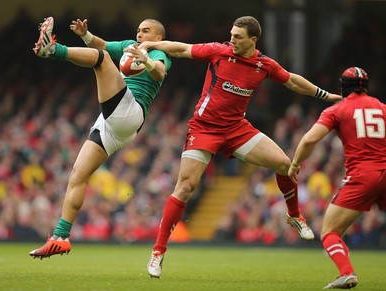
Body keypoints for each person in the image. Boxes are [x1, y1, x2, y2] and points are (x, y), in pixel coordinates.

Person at [139, 16, 342, 278]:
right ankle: (157, 253)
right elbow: (181, 49)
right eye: (232, 35)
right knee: (186, 187)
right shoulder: (218, 51)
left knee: (285, 164)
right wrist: (147, 47)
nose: (232, 40)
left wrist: (324, 95)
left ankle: (295, 216)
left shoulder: (263, 64)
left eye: (238, 37)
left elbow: (292, 80)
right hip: (204, 128)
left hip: (236, 129)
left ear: (253, 40)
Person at [29, 16, 171, 259]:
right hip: (112, 124)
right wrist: (85, 34)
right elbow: (101, 44)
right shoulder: (129, 45)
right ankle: (60, 237)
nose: (140, 34)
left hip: (130, 112)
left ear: (158, 37)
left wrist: (146, 59)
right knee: (78, 175)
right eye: (138, 30)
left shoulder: (159, 53)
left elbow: (159, 73)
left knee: (102, 61)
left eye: (146, 31)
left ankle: (51, 50)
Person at [288, 67, 386, 289]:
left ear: (342, 87)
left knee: (330, 231)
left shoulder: (338, 109)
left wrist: (295, 164)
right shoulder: (382, 107)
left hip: (362, 174)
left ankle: (347, 272)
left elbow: (309, 140)